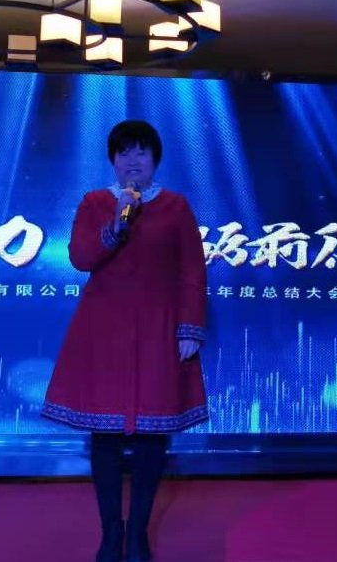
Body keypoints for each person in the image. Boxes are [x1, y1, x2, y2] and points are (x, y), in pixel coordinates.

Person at [42, 120, 209, 562]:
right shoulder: (95, 202)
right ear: (112, 161)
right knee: (106, 437)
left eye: (141, 152)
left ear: (155, 159)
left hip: (159, 327)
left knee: (153, 436)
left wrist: (189, 328)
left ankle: (138, 535)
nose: (133, 161)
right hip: (104, 329)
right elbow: (80, 258)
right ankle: (110, 534)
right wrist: (116, 224)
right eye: (123, 152)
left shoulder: (176, 206)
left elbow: (192, 271)